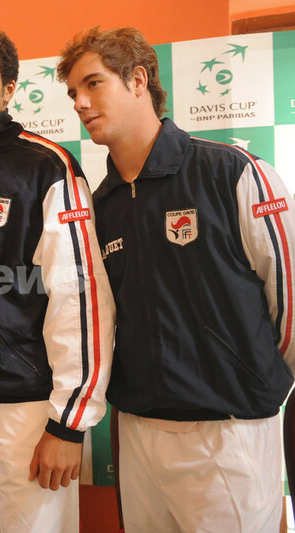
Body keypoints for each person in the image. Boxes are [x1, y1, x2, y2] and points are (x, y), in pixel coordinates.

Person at [58, 26, 295, 532]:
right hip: (138, 428)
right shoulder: (100, 205)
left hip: (227, 429)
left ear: (138, 80)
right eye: (73, 92)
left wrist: (251, 379)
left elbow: (289, 298)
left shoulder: (232, 171)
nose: (80, 102)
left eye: (93, 84)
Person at [0, 25, 115, 532]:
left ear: (9, 89)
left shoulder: (46, 166)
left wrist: (69, 422)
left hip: (30, 409)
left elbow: (80, 296)